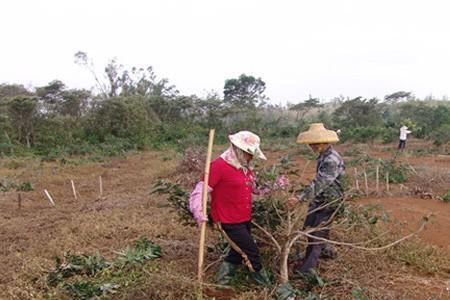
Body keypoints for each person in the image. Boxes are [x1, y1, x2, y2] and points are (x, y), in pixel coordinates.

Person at [189, 131, 270, 285]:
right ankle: (265, 284)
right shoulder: (218, 166)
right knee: (251, 251)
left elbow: (253, 188)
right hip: (228, 220)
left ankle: (222, 280)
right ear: (237, 150)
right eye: (248, 153)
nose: (250, 157)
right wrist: (198, 211)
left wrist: (273, 187)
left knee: (237, 250)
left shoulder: (245, 168)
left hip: (244, 217)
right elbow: (200, 191)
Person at [287, 123, 345, 276]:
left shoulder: (331, 160)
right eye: (311, 143)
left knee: (316, 235)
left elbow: (320, 183)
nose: (312, 146)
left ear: (324, 141)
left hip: (328, 200)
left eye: (314, 143)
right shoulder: (323, 156)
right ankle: (328, 251)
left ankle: (307, 270)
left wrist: (300, 198)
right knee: (310, 226)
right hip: (320, 199)